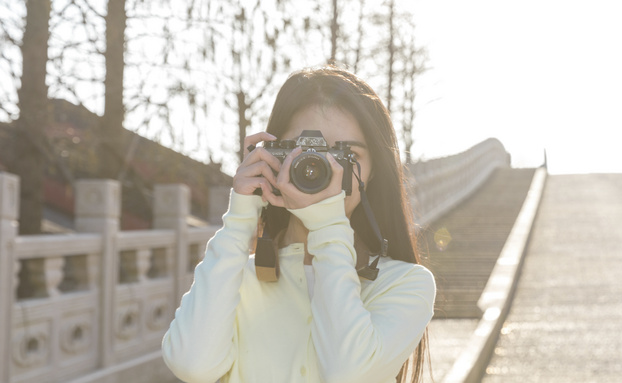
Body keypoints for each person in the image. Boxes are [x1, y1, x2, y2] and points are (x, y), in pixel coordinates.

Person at [162, 66, 435, 383]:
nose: (323, 168)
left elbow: (348, 374)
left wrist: (328, 225)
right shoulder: (234, 279)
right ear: (273, 156)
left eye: (345, 154)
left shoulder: (404, 283)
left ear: (373, 171)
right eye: (305, 151)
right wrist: (240, 217)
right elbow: (192, 366)